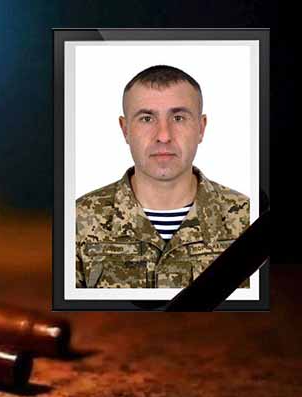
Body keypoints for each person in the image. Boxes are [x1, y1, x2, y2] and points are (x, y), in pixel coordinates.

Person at [75, 65, 249, 288]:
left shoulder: (249, 219)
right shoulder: (77, 220)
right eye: (147, 119)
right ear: (125, 129)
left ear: (201, 128)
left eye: (178, 118)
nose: (164, 136)